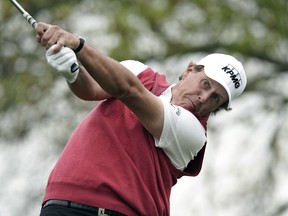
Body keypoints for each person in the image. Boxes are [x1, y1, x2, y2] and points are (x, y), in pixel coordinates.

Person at [36, 22, 247, 216]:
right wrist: (72, 71)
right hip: (59, 202)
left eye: (215, 98)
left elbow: (129, 90)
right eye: (206, 84)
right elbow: (90, 89)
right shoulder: (139, 72)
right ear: (189, 70)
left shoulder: (193, 133)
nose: (203, 97)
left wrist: (78, 46)